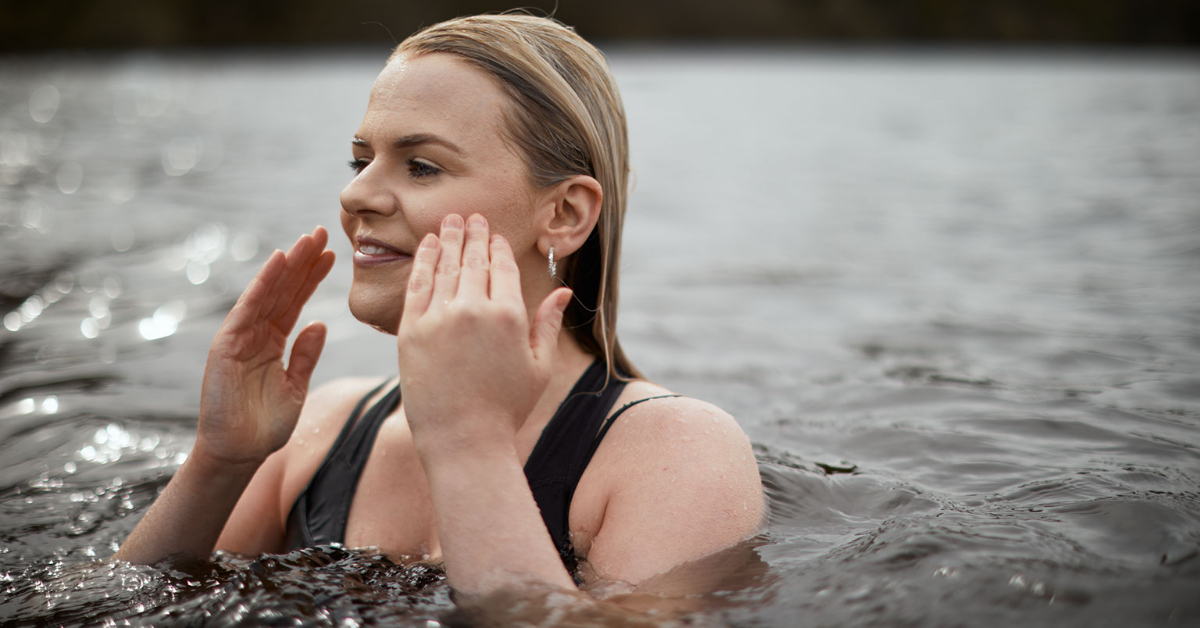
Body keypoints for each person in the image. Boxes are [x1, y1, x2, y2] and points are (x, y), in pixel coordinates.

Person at [114, 13, 764, 596]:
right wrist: (218, 463)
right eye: (359, 160)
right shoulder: (324, 426)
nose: (357, 196)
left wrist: (468, 443)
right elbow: (125, 607)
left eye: (421, 166)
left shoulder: (676, 451)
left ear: (564, 214)